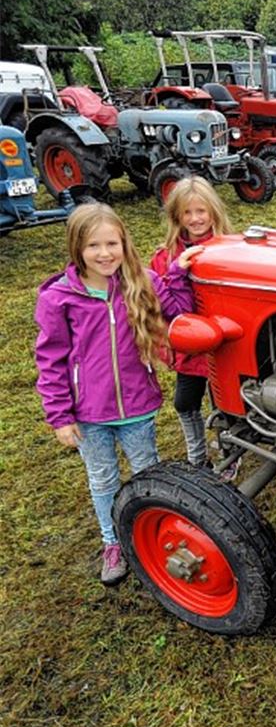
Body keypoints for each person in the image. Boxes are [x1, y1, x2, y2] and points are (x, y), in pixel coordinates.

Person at [34, 204, 198, 585]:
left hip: (137, 406)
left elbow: (178, 311)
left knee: (147, 472)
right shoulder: (59, 298)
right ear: (77, 248)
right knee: (104, 478)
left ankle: (154, 536)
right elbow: (51, 360)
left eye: (112, 243)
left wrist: (176, 273)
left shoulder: (142, 282)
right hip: (88, 414)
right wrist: (60, 416)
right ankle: (113, 542)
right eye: (93, 245)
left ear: (124, 243)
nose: (105, 253)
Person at [151, 176, 233, 470]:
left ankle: (228, 454)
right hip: (190, 350)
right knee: (185, 403)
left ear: (213, 211)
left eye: (201, 211)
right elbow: (165, 305)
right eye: (187, 212)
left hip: (225, 345)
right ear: (176, 216)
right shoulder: (165, 257)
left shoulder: (229, 249)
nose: (196, 219)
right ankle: (197, 459)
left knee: (226, 404)